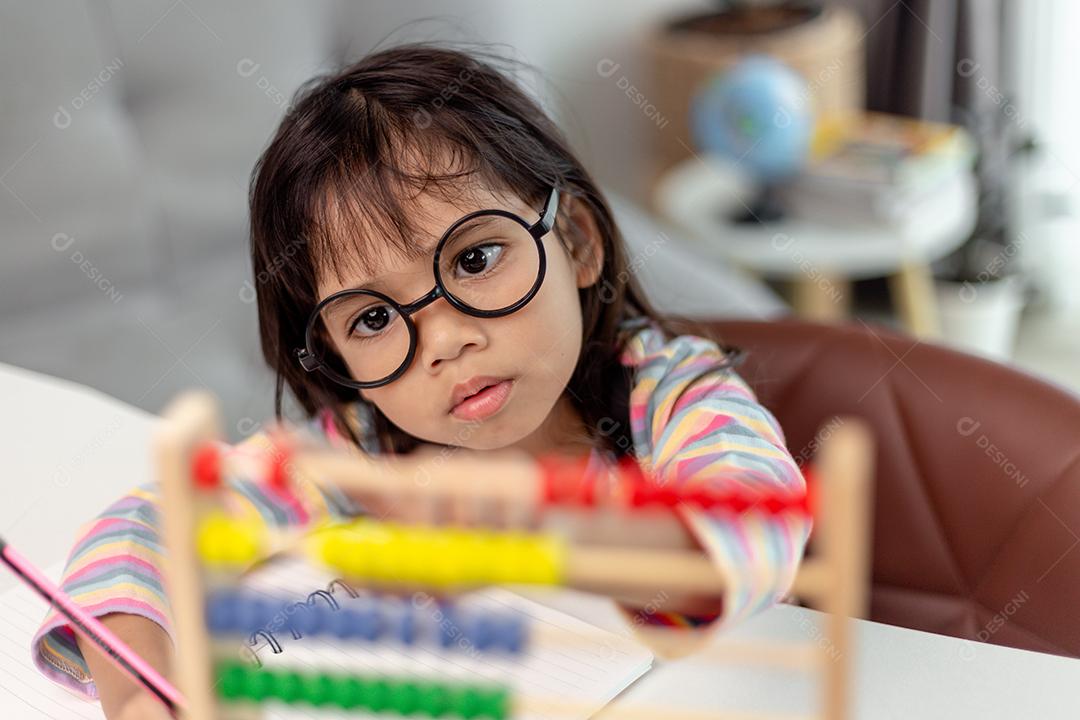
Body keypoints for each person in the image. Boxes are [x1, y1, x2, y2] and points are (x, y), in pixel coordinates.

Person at [32, 44, 811, 719]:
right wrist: (137, 687)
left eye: (475, 259)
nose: (442, 340)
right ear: (335, 355)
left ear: (574, 241)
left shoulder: (670, 395)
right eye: (372, 319)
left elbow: (750, 527)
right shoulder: (367, 450)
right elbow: (148, 525)